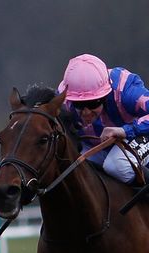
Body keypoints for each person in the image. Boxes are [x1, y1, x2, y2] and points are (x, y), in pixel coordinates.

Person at [58, 53, 149, 185]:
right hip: (99, 148)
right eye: (79, 104)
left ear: (105, 94)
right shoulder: (63, 100)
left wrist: (125, 131)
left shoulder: (126, 90)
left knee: (117, 166)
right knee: (73, 168)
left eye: (93, 103)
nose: (86, 112)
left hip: (139, 136)